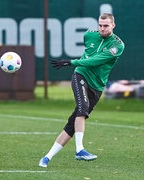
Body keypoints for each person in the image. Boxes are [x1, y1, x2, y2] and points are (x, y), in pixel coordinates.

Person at [39, 13, 125, 168]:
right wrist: (75, 65)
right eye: (100, 25)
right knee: (82, 108)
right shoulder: (89, 35)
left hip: (97, 86)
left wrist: (70, 61)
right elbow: (87, 59)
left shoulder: (117, 45)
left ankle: (46, 157)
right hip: (81, 75)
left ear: (113, 25)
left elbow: (94, 61)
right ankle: (80, 150)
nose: (102, 28)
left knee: (73, 123)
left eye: (106, 25)